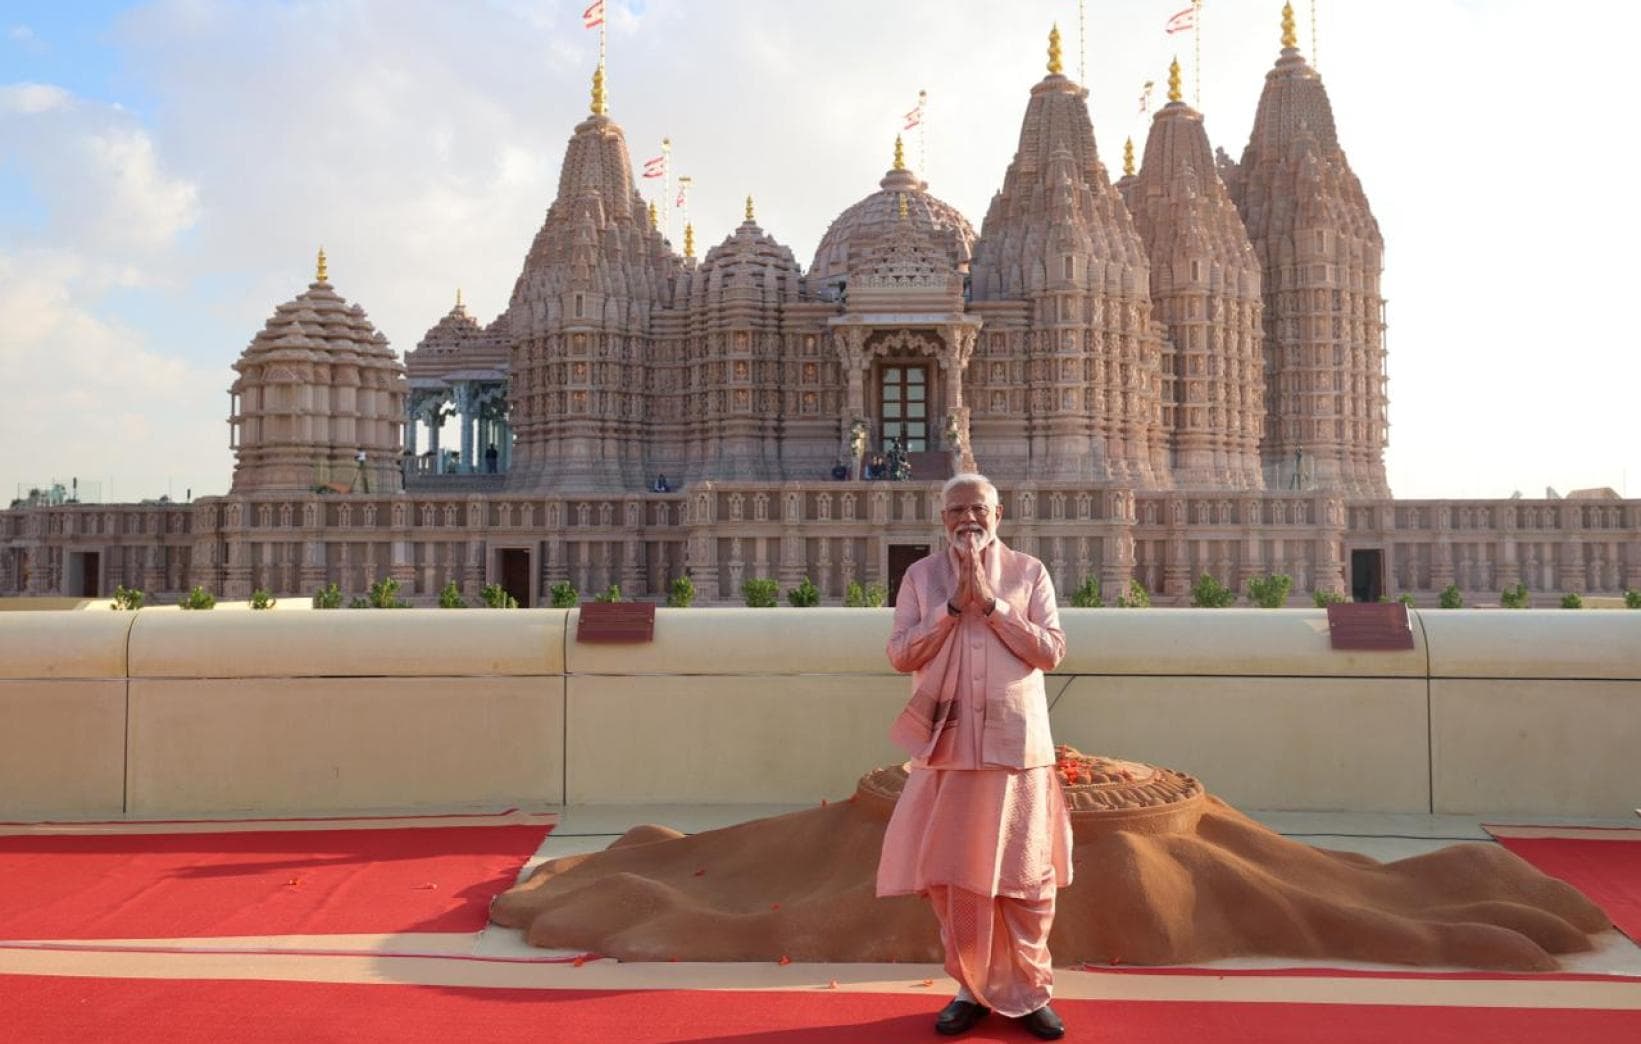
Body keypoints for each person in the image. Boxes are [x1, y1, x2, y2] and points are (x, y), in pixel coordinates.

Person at [878, 473, 1070, 1040]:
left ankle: (1031, 991)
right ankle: (972, 988)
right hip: (950, 748)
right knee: (956, 881)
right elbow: (898, 654)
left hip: (1018, 745)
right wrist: (949, 610)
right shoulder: (921, 577)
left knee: (1027, 879)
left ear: (998, 513)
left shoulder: (1029, 572)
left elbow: (1052, 651)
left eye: (979, 509)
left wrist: (990, 606)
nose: (969, 519)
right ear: (943, 520)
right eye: (957, 510)